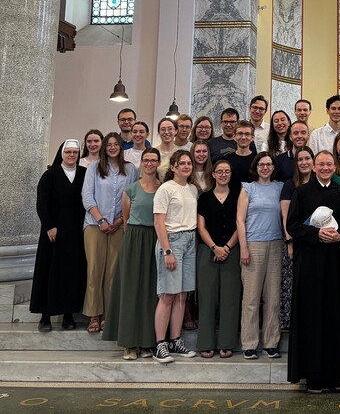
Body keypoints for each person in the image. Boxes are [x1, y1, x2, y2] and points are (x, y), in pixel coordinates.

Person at [286, 151, 340, 393]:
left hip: (336, 264)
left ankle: (334, 373)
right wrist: (316, 235)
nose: (325, 168)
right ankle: (313, 375)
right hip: (311, 264)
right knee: (313, 317)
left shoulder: (339, 193)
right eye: (321, 164)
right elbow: (292, 226)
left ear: (334, 167)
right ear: (313, 167)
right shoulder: (302, 192)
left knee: (335, 316)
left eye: (329, 164)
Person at [103, 148, 161, 359]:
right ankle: (128, 343)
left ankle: (146, 341)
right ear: (141, 163)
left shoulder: (163, 189)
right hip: (134, 240)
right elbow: (126, 221)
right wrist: (133, 241)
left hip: (154, 240)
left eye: (153, 160)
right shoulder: (131, 190)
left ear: (158, 163)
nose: (149, 164)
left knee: (150, 291)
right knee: (130, 290)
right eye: (146, 160)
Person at [82, 132, 138, 334]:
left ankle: (109, 314)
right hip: (94, 225)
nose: (112, 147)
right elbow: (87, 196)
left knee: (114, 272)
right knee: (95, 270)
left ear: (121, 147)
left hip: (119, 225)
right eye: (109, 145)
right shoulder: (93, 168)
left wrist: (120, 220)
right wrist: (101, 220)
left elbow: (133, 196)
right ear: (104, 147)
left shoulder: (130, 169)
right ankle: (94, 314)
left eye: (116, 144)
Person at [31, 140, 87, 332]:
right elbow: (41, 203)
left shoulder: (83, 174)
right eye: (68, 152)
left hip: (76, 232)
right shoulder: (49, 175)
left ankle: (68, 314)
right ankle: (45, 315)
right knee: (49, 271)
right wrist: (49, 226)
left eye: (75, 152)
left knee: (71, 272)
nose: (72, 155)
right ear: (61, 154)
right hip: (53, 232)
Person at [151, 150, 199, 362]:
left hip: (190, 241)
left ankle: (175, 340)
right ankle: (160, 345)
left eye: (189, 163)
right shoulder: (165, 189)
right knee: (168, 295)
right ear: (173, 167)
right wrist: (167, 250)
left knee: (182, 295)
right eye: (182, 163)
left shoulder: (192, 189)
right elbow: (158, 222)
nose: (186, 166)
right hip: (172, 241)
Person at [236, 152, 285, 360]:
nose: (265, 168)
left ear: (273, 167)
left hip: (276, 244)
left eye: (269, 164)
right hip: (253, 244)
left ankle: (271, 342)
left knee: (273, 297)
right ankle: (249, 343)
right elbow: (240, 220)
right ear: (256, 167)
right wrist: (244, 248)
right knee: (251, 298)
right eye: (261, 164)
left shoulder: (280, 187)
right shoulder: (248, 188)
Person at [196, 159, 242, 359]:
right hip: (208, 252)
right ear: (213, 174)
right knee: (207, 299)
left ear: (230, 174)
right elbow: (201, 227)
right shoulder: (204, 198)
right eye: (219, 171)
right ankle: (206, 343)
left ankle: (226, 342)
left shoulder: (238, 196)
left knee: (230, 299)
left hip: (232, 251)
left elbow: (241, 224)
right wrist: (215, 248)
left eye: (227, 171)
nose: (223, 174)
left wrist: (227, 248)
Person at [280, 146, 315, 331]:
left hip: (314, 240)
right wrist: (289, 242)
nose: (304, 162)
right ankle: (290, 321)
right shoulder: (289, 185)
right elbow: (286, 216)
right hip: (294, 239)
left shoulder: (319, 182)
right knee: (291, 281)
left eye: (307, 158)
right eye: (300, 159)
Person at [223, 120, 257, 191]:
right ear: (234, 137)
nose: (243, 137)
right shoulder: (226, 160)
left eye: (247, 134)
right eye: (240, 133)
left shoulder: (257, 160)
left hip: (253, 199)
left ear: (252, 138)